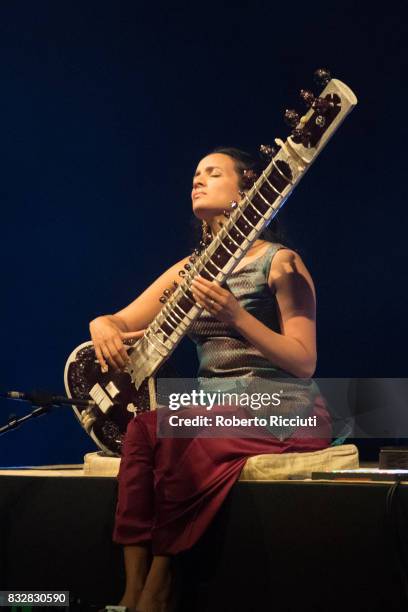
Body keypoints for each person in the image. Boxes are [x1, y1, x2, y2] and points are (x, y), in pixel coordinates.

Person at [89, 148, 332, 612]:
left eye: (213, 173)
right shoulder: (188, 273)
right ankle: (130, 591)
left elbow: (304, 362)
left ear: (249, 189)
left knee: (190, 430)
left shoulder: (280, 262)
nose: (197, 181)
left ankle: (160, 588)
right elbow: (117, 321)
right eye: (195, 173)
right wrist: (102, 325)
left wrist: (236, 315)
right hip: (211, 411)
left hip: (284, 406)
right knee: (142, 430)